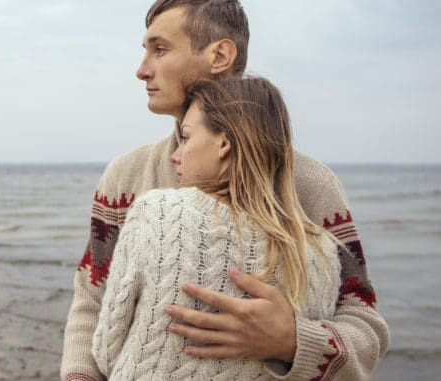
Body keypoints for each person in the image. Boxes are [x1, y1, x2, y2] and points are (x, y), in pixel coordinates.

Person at [61, 1, 389, 380]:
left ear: (219, 54)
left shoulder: (311, 185)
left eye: (160, 49)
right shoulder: (126, 175)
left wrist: (295, 341)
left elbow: (364, 323)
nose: (142, 70)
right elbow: (92, 298)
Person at [92, 76, 342, 380]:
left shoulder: (156, 213)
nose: (175, 154)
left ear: (223, 143)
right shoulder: (320, 250)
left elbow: (106, 349)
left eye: (186, 137)